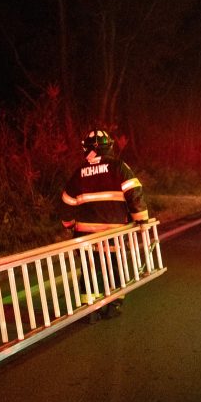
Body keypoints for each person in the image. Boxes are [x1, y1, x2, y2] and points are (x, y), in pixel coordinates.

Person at [59, 129, 149, 320]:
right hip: (113, 235)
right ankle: (113, 306)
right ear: (109, 146)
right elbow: (134, 193)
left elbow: (66, 201)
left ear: (88, 149)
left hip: (85, 237)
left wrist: (68, 224)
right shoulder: (119, 167)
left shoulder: (79, 172)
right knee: (115, 269)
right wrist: (141, 219)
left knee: (89, 270)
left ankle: (90, 310)